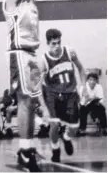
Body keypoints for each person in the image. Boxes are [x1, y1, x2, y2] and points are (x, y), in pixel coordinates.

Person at [0, 0, 70, 171]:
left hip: (31, 55)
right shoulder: (9, 1)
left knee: (30, 101)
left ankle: (25, 149)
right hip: (19, 53)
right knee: (24, 101)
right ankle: (25, 150)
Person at [40, 28, 86, 163]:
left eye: (58, 42)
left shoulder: (70, 52)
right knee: (54, 125)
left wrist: (83, 87)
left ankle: (66, 138)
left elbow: (81, 69)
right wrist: (43, 107)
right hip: (52, 94)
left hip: (70, 93)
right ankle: (55, 148)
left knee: (74, 127)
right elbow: (36, 86)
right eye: (53, 43)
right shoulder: (43, 60)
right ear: (48, 43)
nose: (57, 46)